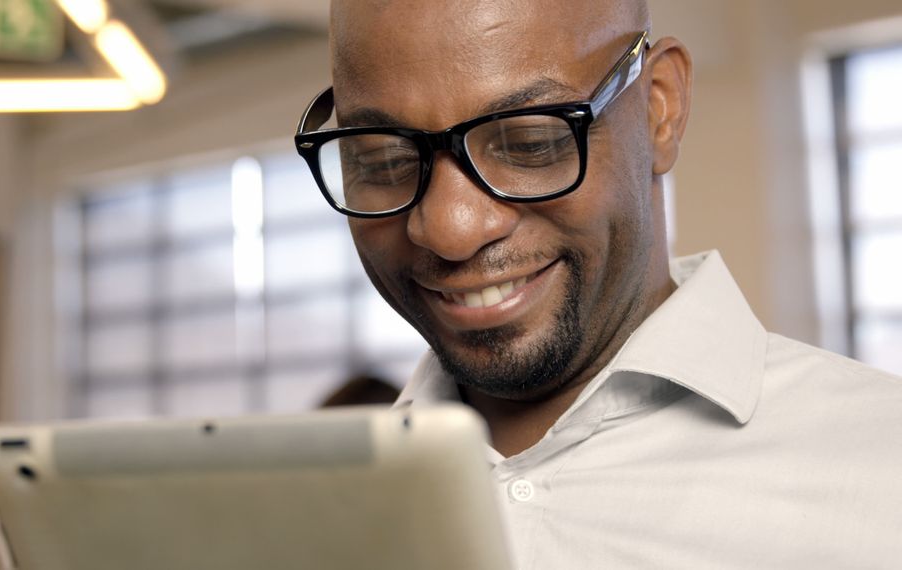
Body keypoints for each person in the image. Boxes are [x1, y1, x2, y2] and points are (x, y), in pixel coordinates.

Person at [293, 0, 902, 567]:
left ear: (660, 108)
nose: (449, 230)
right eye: (382, 160)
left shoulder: (881, 472)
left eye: (529, 142)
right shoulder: (295, 517)